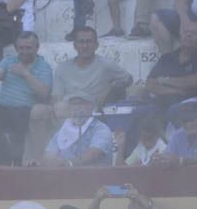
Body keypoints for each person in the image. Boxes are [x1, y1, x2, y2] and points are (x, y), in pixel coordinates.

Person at [29, 27, 131, 158]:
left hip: (90, 109)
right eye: (81, 42)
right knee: (37, 110)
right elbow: (56, 97)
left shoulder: (106, 65)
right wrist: (55, 109)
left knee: (62, 108)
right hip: (65, 109)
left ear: (96, 45)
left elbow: (128, 79)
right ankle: (41, 160)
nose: (85, 45)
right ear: (75, 45)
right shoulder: (63, 68)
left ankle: (68, 158)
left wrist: (110, 88)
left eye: (89, 41)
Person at [0, 30, 51, 162]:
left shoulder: (44, 67)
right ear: (16, 48)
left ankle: (16, 162)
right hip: (4, 108)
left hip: (26, 110)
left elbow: (44, 94)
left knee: (18, 120)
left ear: (37, 48)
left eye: (29, 48)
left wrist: (26, 74)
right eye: (21, 48)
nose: (24, 51)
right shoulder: (9, 60)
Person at [142, 16, 197, 115]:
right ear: (180, 36)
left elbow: (194, 82)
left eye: (193, 33)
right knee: (139, 112)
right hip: (162, 104)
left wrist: (164, 80)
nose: (188, 35)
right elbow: (150, 84)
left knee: (173, 110)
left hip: (191, 108)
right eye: (185, 32)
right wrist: (177, 91)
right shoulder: (167, 58)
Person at [41, 93, 115, 166]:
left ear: (92, 106)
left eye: (81, 104)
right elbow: (49, 155)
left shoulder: (101, 129)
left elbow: (94, 154)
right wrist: (44, 162)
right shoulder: (63, 130)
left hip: (96, 176)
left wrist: (69, 163)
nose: (77, 108)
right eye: (73, 104)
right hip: (65, 175)